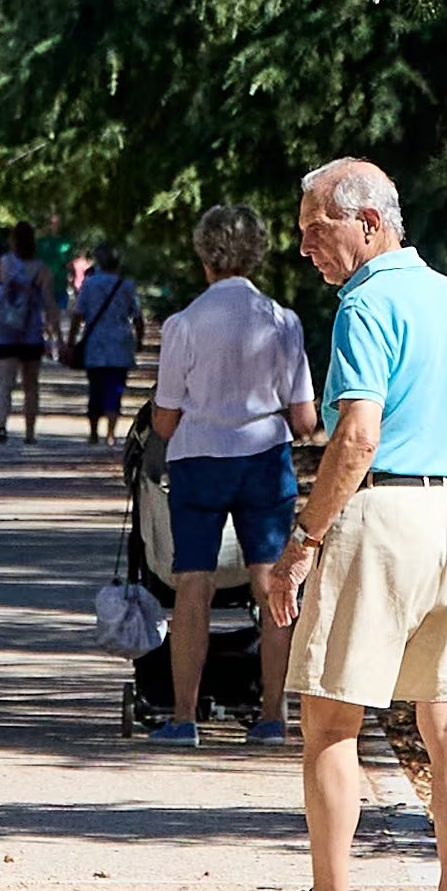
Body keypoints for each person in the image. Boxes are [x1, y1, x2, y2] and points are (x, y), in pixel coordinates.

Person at [258, 159, 447, 891]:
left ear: (367, 222)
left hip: (383, 511)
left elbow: (357, 435)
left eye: (314, 228)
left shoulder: (367, 305)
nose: (304, 246)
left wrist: (303, 541)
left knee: (330, 718)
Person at [146, 205, 317, 748]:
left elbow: (166, 416)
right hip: (264, 460)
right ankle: (271, 714)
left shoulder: (184, 324)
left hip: (198, 460)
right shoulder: (282, 321)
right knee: (271, 586)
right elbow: (305, 419)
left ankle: (184, 716)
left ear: (204, 255)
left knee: (192, 584)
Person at [0, 220, 60, 444]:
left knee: (5, 382)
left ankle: (2, 425)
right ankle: (29, 432)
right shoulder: (41, 270)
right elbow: (50, 304)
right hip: (31, 334)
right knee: (31, 385)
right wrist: (57, 337)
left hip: (4, 333)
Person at [67, 243, 144, 445]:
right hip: (120, 343)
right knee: (115, 389)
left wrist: (71, 340)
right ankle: (110, 432)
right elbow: (137, 316)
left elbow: (78, 314)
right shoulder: (126, 286)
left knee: (96, 388)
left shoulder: (90, 284)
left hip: (95, 343)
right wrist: (140, 341)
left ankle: (93, 432)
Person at [36, 213, 75, 309]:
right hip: (44, 286)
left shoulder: (66, 242)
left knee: (59, 317)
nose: (54, 225)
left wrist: (72, 280)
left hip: (60, 285)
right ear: (48, 225)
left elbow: (69, 264)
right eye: (52, 223)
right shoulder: (40, 243)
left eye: (57, 223)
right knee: (45, 317)